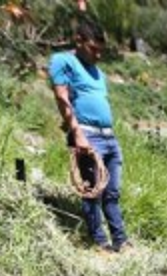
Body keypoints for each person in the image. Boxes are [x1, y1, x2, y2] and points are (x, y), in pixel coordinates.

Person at [49, 16, 129, 252]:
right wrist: (77, 133)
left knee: (112, 192)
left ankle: (120, 241)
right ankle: (99, 242)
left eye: (100, 50)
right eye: (94, 49)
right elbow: (62, 98)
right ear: (79, 40)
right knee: (92, 191)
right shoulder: (63, 61)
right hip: (87, 134)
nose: (98, 55)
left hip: (109, 136)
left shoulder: (98, 73)